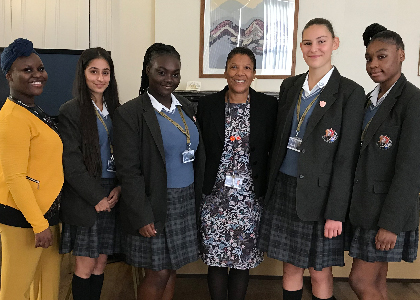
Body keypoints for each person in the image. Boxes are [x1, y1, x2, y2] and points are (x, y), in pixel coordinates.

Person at [258, 18, 366, 300]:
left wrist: (335, 212)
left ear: (334, 44)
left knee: (320, 272)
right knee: (290, 267)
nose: (314, 48)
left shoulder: (350, 93)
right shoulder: (290, 86)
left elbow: (346, 159)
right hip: (285, 188)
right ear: (301, 47)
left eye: (322, 41)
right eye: (308, 43)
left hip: (322, 197)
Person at [113, 43, 204, 300]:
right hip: (155, 202)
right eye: (161, 72)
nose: (169, 79)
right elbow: (128, 171)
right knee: (158, 272)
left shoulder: (186, 106)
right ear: (147, 71)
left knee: (171, 268)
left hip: (185, 200)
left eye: (175, 73)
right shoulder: (131, 113)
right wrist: (141, 214)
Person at [197, 47, 277, 300]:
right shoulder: (208, 105)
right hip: (215, 198)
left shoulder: (268, 106)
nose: (239, 73)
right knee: (217, 259)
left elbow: (273, 150)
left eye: (246, 68)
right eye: (234, 67)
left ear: (254, 74)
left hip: (250, 198)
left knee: (242, 260)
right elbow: (200, 151)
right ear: (225, 72)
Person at [347, 23, 420, 300]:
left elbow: (411, 168)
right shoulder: (371, 99)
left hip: (386, 213)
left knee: (359, 280)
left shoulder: (412, 101)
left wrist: (390, 224)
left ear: (401, 55)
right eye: (368, 58)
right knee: (376, 283)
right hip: (367, 208)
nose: (373, 64)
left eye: (382, 56)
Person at [0, 38, 63, 300]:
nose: (37, 75)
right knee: (16, 290)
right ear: (9, 76)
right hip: (25, 221)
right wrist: (39, 225)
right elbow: (14, 178)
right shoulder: (12, 118)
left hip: (48, 215)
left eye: (40, 68)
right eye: (27, 70)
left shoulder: (33, 111)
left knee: (46, 289)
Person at [58, 47, 121, 300]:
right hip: (87, 198)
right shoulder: (70, 111)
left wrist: (119, 187)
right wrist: (97, 198)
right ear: (83, 73)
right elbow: (71, 163)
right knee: (84, 266)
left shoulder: (117, 110)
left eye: (105, 72)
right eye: (93, 71)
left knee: (101, 262)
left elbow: (126, 156)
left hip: (113, 194)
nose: (100, 78)